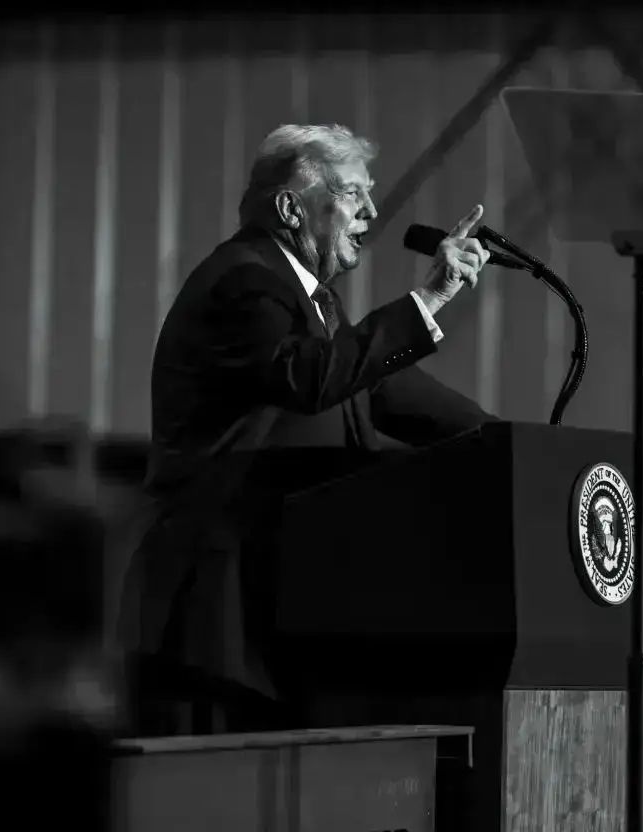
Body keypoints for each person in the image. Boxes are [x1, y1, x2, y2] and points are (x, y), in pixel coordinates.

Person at [116, 124, 498, 736]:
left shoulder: (313, 299)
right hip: (214, 619)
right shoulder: (243, 281)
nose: (371, 211)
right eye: (352, 194)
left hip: (279, 614)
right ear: (292, 208)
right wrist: (427, 299)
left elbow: (376, 387)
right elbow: (309, 376)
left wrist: (504, 443)